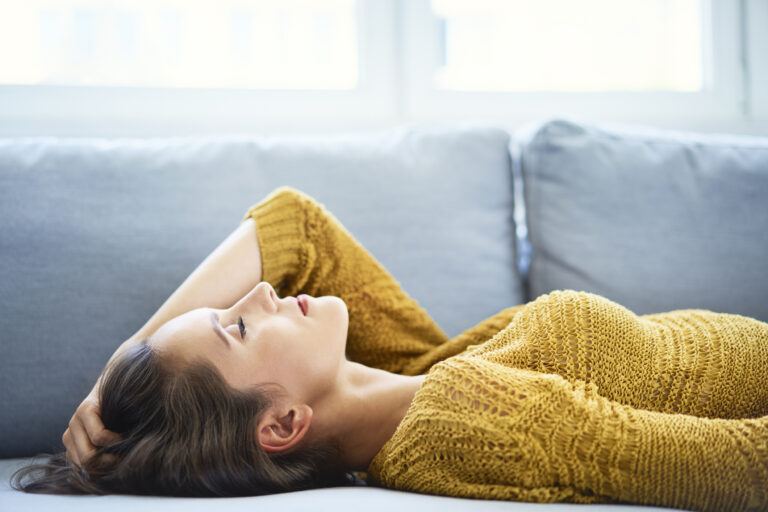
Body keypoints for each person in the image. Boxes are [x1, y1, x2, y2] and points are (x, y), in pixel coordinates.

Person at [11, 186, 768, 511]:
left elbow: (294, 224)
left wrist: (124, 363)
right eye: (236, 327)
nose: (257, 292)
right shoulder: (464, 417)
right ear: (280, 427)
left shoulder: (406, 378)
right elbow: (728, 466)